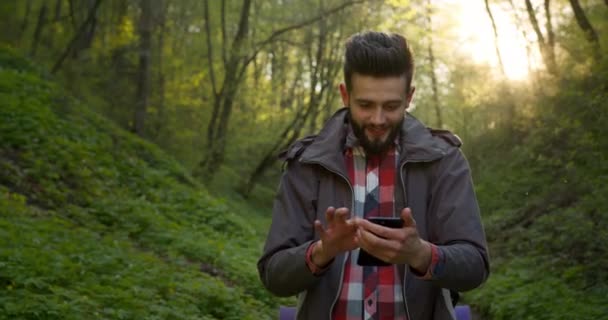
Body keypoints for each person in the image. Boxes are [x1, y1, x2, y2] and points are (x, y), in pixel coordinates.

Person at [257, 31, 489, 320]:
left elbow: (475, 266)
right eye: (365, 105)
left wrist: (420, 254)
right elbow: (273, 275)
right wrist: (322, 251)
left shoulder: (444, 161)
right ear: (345, 95)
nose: (378, 120)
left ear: (409, 97)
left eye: (391, 106)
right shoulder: (307, 164)